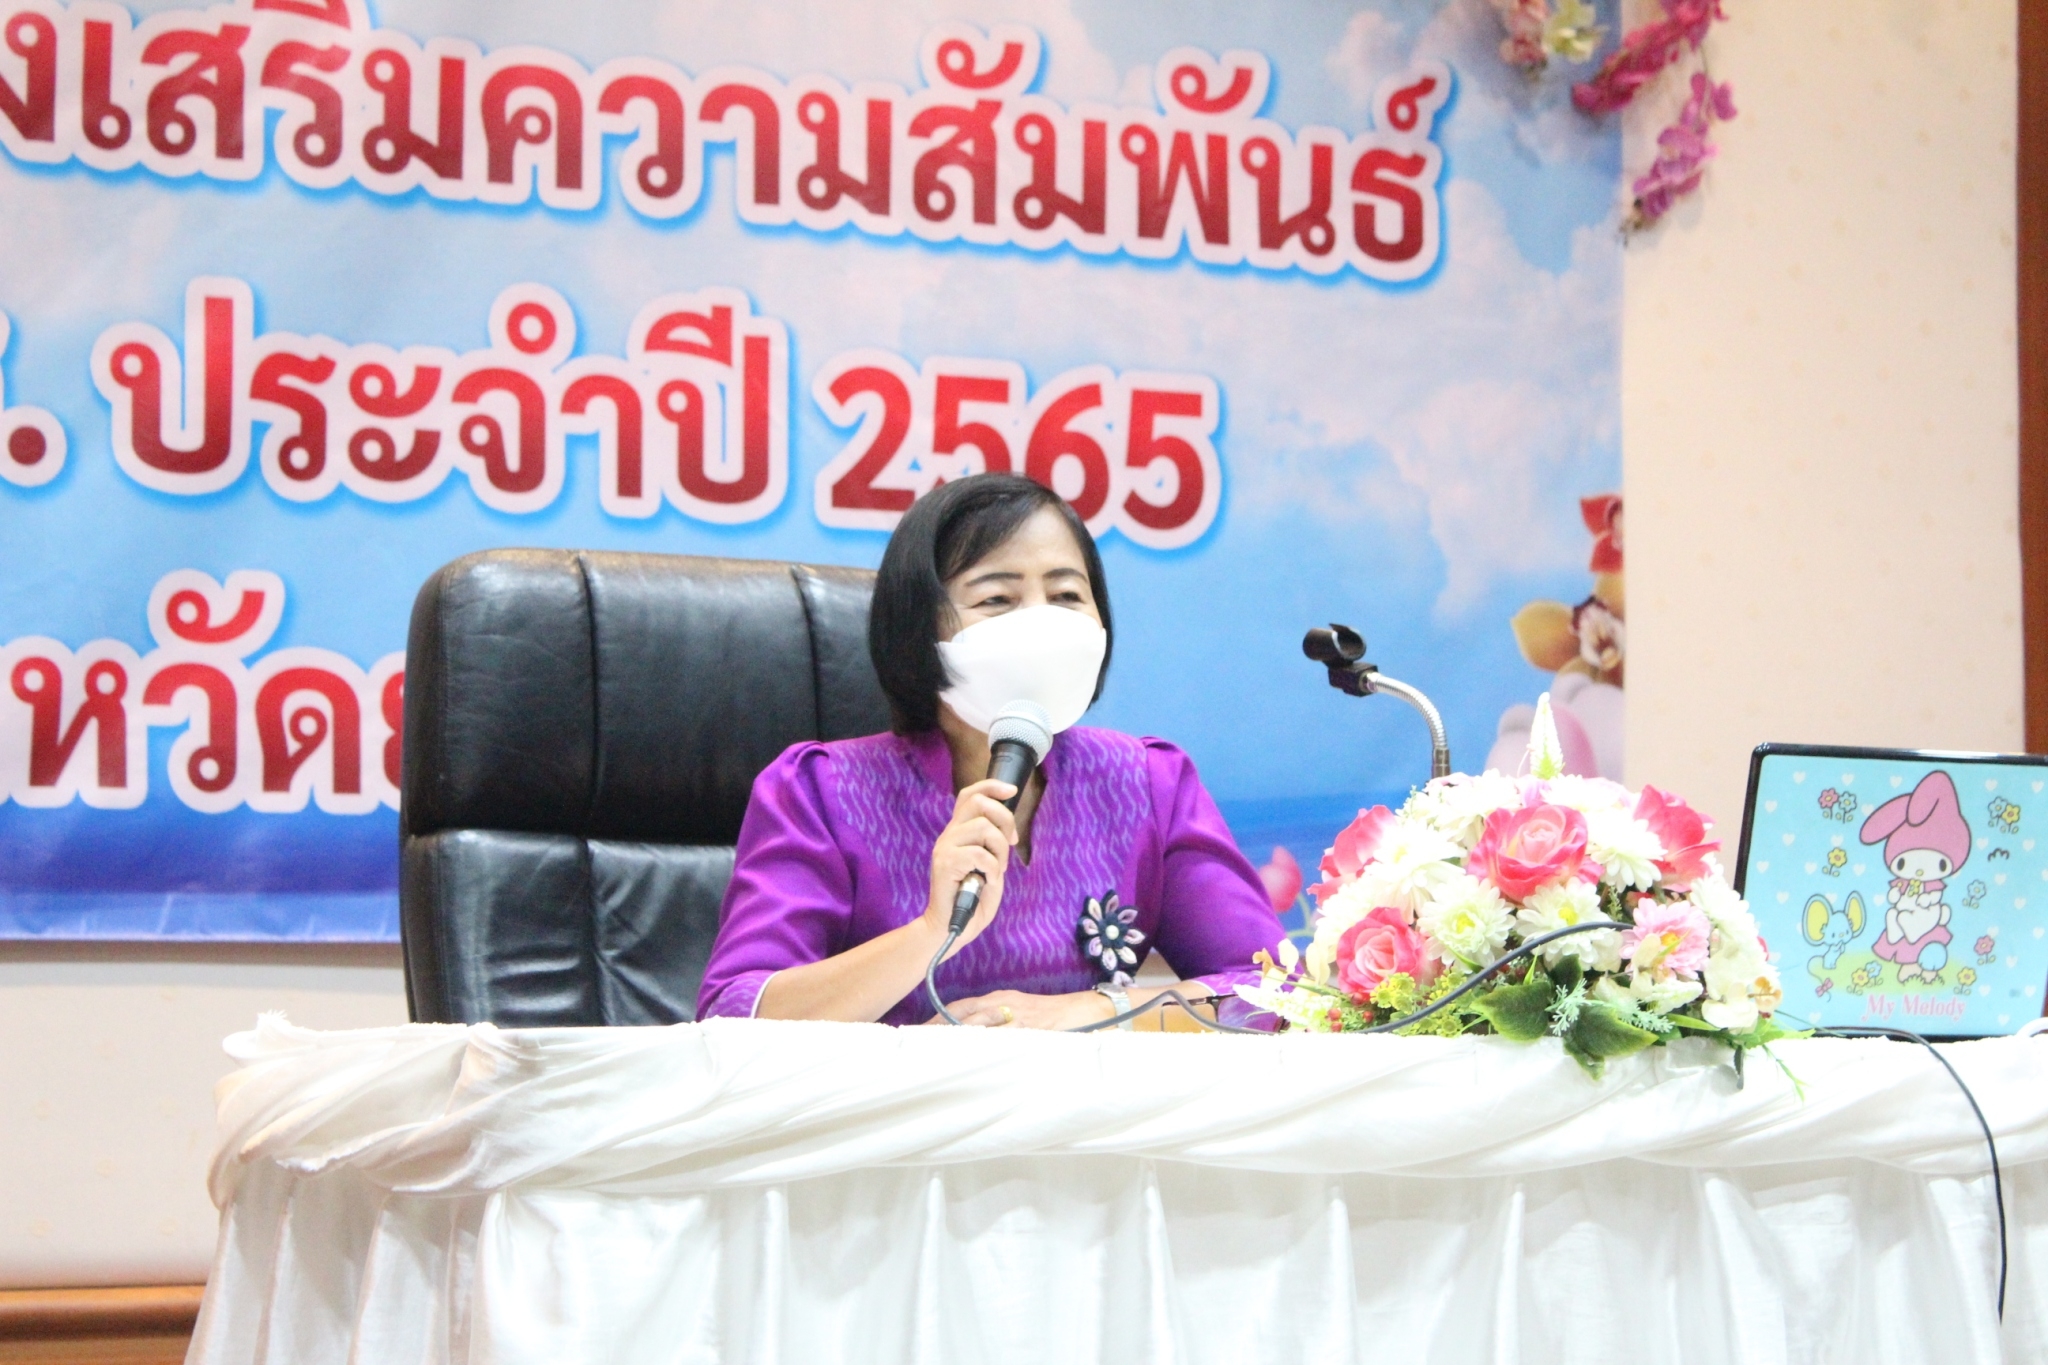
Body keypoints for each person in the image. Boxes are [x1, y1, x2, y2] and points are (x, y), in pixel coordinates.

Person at [695, 473, 1284, 1029]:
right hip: (895, 1103)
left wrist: (1089, 1011)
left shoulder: (1148, 782)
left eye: (1066, 594)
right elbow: (736, 1016)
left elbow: (1277, 994)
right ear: (920, 630)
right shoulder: (820, 791)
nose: (1043, 623)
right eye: (998, 599)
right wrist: (929, 932)